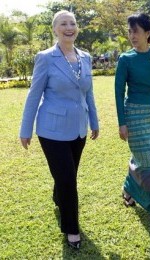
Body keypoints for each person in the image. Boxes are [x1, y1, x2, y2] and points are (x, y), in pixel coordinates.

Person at [19, 10, 99, 249]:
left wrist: (94, 121)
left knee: (67, 175)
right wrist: (26, 129)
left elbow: (89, 93)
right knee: (67, 179)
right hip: (51, 130)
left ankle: (58, 197)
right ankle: (71, 228)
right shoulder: (45, 58)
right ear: (55, 29)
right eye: (63, 23)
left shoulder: (85, 57)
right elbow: (34, 95)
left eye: (73, 23)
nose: (69, 27)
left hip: (78, 129)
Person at [115, 13, 150, 229]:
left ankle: (129, 189)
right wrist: (122, 122)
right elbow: (119, 93)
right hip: (134, 115)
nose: (132, 35)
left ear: (148, 34)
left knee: (149, 158)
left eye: (135, 31)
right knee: (149, 161)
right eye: (129, 31)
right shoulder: (125, 59)